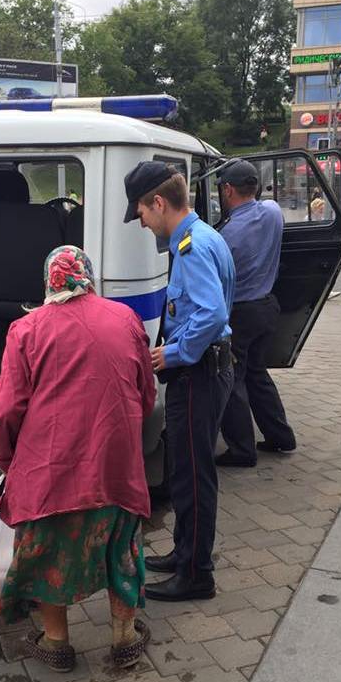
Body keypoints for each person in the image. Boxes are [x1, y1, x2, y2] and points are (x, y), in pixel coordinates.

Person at [0, 245, 156, 673]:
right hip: (115, 469)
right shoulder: (126, 319)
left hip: (50, 474)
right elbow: (146, 394)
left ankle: (57, 642)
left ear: (49, 282)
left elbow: (5, 410)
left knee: (48, 554)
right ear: (89, 277)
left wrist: (10, 463)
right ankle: (124, 638)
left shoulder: (26, 330)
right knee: (121, 549)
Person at [123, 161, 234, 602]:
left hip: (200, 374)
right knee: (186, 470)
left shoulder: (191, 247)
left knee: (193, 477)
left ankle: (196, 574)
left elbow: (212, 314)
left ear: (158, 202)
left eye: (142, 215)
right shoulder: (204, 236)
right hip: (207, 369)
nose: (144, 225)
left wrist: (170, 353)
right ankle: (184, 553)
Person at [213, 159, 297, 469]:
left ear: (228, 189)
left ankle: (242, 450)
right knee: (258, 375)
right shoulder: (273, 212)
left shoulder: (226, 235)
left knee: (232, 379)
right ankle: (281, 437)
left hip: (241, 314)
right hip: (267, 308)